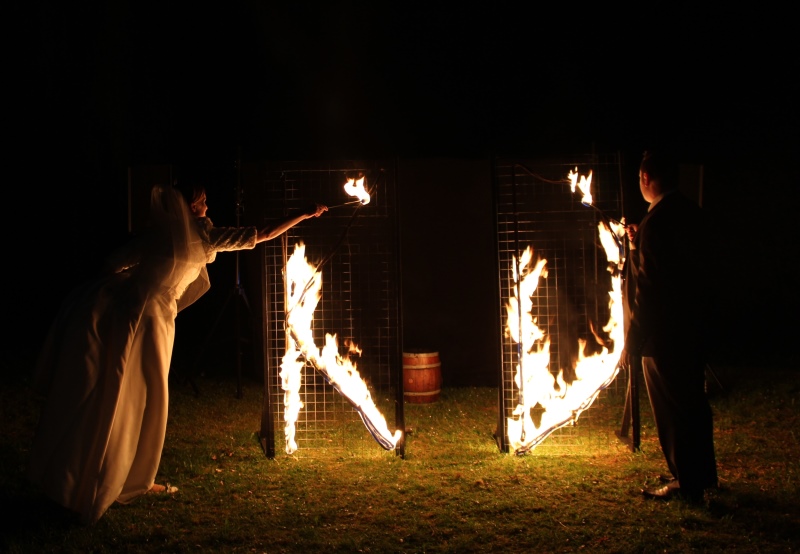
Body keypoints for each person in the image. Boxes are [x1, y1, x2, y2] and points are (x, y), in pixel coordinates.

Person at [27, 183, 327, 525]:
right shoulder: (203, 235)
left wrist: (127, 284)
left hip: (131, 314)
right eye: (202, 201)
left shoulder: (158, 235)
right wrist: (303, 212)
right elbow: (262, 234)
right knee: (145, 397)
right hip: (153, 320)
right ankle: (122, 476)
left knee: (120, 392)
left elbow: (111, 263)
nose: (207, 204)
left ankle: (103, 475)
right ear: (192, 208)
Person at [620, 149, 717, 503]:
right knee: (693, 403)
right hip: (693, 328)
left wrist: (636, 336)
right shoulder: (691, 213)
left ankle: (686, 483)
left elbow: (649, 286)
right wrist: (637, 242)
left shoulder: (657, 222)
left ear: (646, 178)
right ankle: (701, 474)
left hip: (664, 337)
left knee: (673, 411)